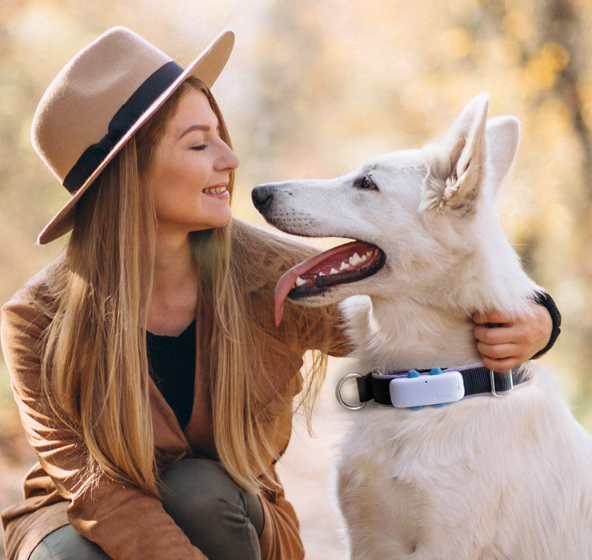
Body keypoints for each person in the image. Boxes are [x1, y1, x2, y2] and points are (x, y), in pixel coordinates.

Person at [0, 27, 559, 560]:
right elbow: (98, 494)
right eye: (200, 144)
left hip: (231, 513)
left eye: (222, 134)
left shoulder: (271, 275)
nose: (230, 158)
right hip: (80, 520)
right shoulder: (36, 320)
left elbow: (426, 286)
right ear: (129, 172)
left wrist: (540, 319)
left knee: (201, 491)